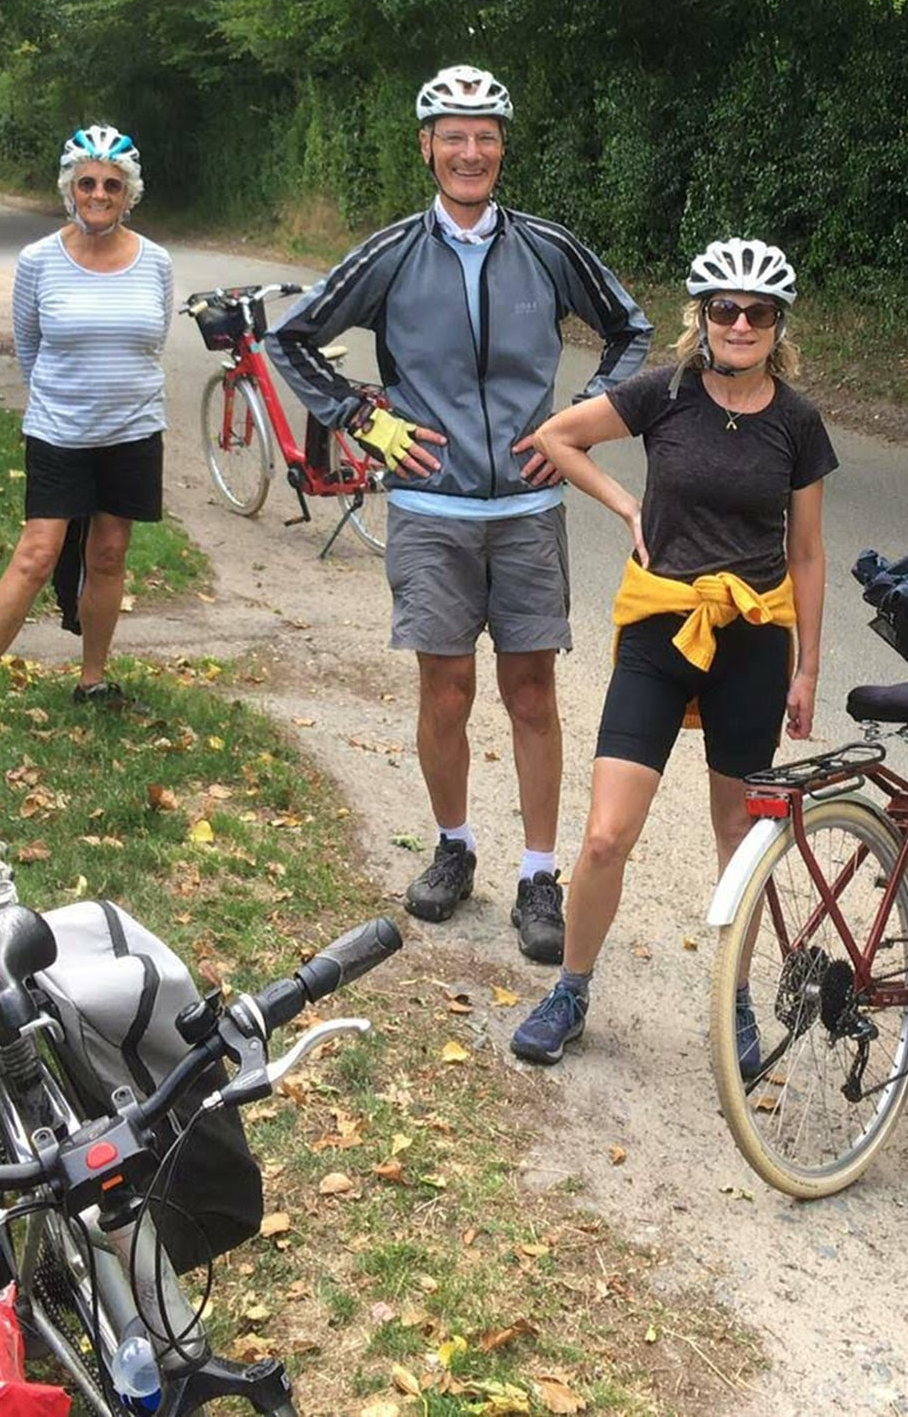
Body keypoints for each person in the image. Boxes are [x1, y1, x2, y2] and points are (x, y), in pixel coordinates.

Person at [267, 65, 651, 954]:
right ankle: (453, 848)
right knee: (444, 694)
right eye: (453, 135)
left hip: (525, 508)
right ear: (427, 147)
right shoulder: (394, 251)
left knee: (532, 694)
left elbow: (631, 331)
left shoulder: (547, 248)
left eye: (485, 135)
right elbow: (293, 338)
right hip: (432, 509)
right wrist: (366, 420)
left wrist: (577, 423)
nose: (470, 150)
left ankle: (538, 875)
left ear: (502, 147)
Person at [508, 239, 836, 1064]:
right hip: (662, 628)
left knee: (740, 836)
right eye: (723, 309)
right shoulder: (665, 394)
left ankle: (737, 1003)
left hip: (755, 637)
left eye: (756, 313)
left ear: (776, 326)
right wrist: (626, 506)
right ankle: (570, 991)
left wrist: (807, 670)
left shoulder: (796, 421)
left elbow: (808, 552)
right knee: (605, 836)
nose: (739, 324)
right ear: (701, 318)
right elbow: (556, 437)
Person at [0, 126, 174, 751]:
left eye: (111, 185)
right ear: (70, 189)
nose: (99, 194)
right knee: (37, 554)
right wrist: (68, 397)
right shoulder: (39, 260)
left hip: (132, 431)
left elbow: (153, 342)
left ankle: (92, 679)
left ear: (129, 193)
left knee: (107, 555)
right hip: (60, 431)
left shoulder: (156, 261)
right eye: (87, 183)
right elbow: (29, 347)